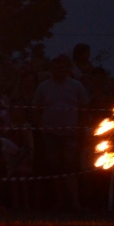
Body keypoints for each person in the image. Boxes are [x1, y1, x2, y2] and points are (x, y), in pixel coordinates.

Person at [33, 55, 89, 210]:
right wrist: (42, 128)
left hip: (71, 134)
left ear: (67, 69)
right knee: (55, 168)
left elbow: (84, 109)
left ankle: (75, 202)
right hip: (50, 135)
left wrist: (80, 128)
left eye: (62, 67)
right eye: (56, 68)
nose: (59, 71)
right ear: (51, 69)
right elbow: (35, 110)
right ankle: (60, 202)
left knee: (70, 168)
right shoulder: (43, 87)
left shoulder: (76, 86)